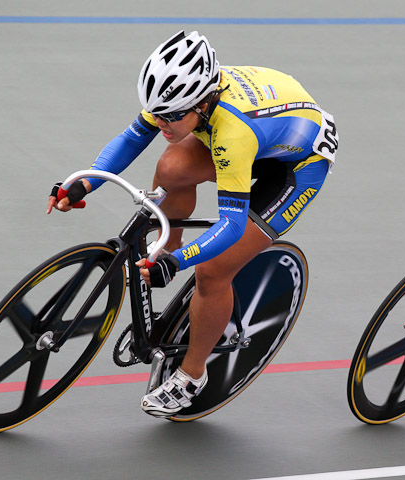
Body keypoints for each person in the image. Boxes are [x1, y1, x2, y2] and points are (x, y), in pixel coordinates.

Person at [47, 31, 338, 417]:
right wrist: (85, 182)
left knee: (212, 270)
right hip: (264, 132)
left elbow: (232, 225)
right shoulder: (178, 97)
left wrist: (179, 262)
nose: (162, 123)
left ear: (202, 101)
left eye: (172, 117)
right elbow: (133, 138)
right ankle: (165, 244)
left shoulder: (233, 134)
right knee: (172, 166)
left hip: (294, 168)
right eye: (157, 113)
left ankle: (192, 376)